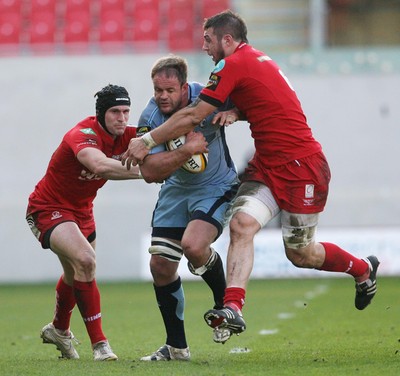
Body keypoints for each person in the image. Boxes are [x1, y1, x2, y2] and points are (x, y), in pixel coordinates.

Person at [121, 9, 380, 343]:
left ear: (227, 40)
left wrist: (145, 140)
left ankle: (361, 268)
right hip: (266, 166)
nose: (205, 47)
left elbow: (193, 116)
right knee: (241, 225)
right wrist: (237, 111)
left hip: (302, 166)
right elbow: (265, 100)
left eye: (208, 40)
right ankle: (232, 308)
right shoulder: (254, 61)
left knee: (301, 253)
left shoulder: (232, 65)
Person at [26, 84, 142, 360]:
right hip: (48, 208)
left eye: (126, 111)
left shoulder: (129, 136)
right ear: (101, 114)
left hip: (82, 213)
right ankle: (100, 344)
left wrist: (191, 142)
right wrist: (148, 172)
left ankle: (59, 330)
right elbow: (100, 166)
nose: (122, 118)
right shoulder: (83, 134)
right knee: (87, 262)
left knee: (75, 273)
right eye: (115, 112)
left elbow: (163, 136)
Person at [136, 55, 240, 360]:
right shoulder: (151, 116)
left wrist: (235, 111)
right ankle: (176, 347)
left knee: (194, 246)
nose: (162, 96)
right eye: (157, 90)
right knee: (161, 267)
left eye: (169, 90)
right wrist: (187, 149)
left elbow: (250, 101)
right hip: (175, 192)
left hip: (215, 187)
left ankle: (226, 307)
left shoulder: (208, 95)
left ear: (184, 88)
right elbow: (151, 172)